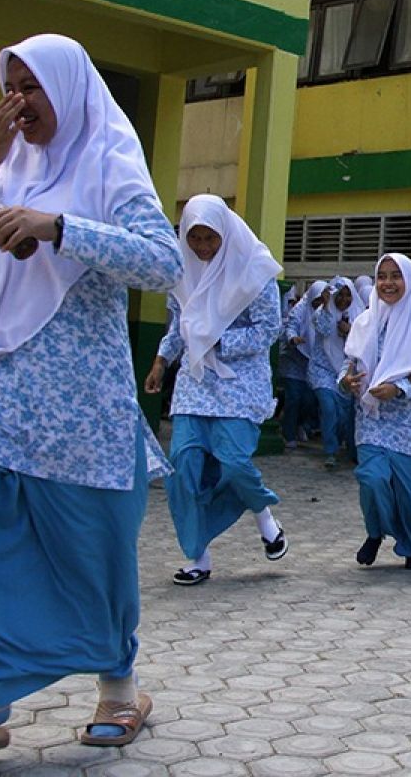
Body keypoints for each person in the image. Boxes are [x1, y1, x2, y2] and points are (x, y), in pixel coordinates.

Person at [0, 34, 182, 764]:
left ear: (71, 88)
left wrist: (60, 226)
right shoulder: (4, 168)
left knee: (89, 550)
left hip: (76, 397)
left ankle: (119, 689)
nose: (19, 101)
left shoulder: (110, 162)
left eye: (33, 86)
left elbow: (161, 260)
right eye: (11, 85)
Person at [144, 194, 288, 587]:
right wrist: (161, 360)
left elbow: (267, 331)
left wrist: (216, 341)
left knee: (234, 464)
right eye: (196, 238)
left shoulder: (254, 270)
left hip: (239, 387)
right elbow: (180, 325)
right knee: (184, 469)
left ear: (226, 232)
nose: (203, 248)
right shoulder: (183, 271)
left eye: (211, 238)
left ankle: (264, 515)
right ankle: (197, 557)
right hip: (195, 384)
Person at [340, 254, 411, 570]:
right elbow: (350, 363)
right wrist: (345, 380)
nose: (388, 283)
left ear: (410, 281)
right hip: (372, 419)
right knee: (372, 480)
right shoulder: (365, 321)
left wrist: (402, 388)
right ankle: (375, 532)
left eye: (396, 276)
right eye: (382, 276)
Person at [313, 276, 365, 468]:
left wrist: (350, 330)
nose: (343, 300)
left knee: (345, 415)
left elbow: (365, 342)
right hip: (323, 369)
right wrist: (327, 306)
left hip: (347, 370)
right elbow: (324, 330)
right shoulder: (322, 313)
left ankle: (351, 449)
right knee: (328, 407)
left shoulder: (359, 316)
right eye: (339, 295)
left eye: (347, 295)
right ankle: (330, 450)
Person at [284, 280, 327, 447]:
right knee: (294, 397)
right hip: (295, 360)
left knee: (310, 399)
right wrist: (293, 338)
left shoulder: (326, 311)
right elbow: (291, 326)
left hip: (314, 361)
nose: (319, 304)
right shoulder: (300, 310)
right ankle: (289, 434)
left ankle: (303, 425)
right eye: (317, 299)